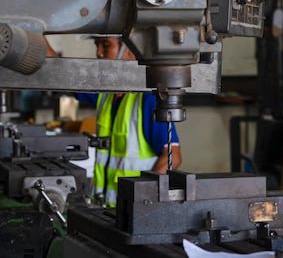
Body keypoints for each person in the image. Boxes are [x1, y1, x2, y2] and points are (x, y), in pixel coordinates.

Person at [46, 35, 182, 207]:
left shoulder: (147, 100)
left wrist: (143, 201)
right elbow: (64, 77)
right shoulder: (106, 94)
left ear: (130, 51)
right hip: (103, 209)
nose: (99, 53)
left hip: (132, 212)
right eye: (97, 45)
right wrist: (38, 37)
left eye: (106, 45)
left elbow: (172, 157)